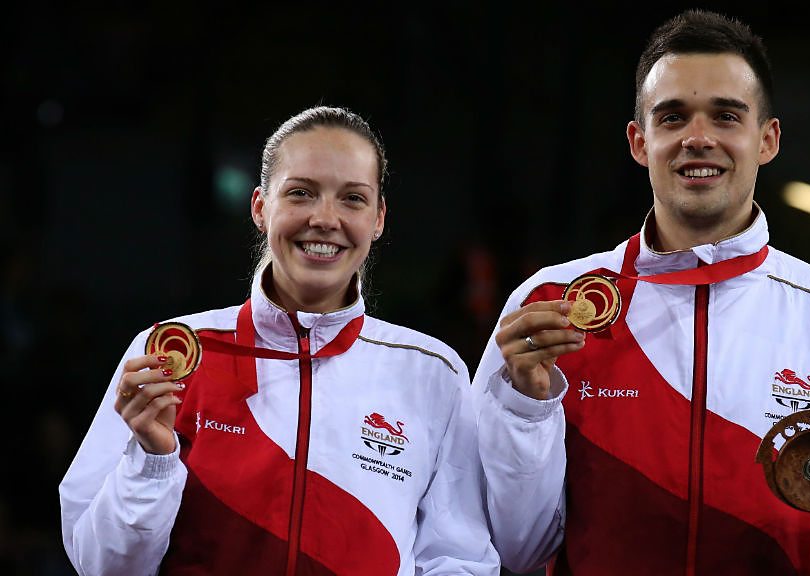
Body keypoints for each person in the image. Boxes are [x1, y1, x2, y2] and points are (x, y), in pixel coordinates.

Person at [472, 10, 810, 576]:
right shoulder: (549, 307)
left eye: (726, 116)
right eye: (673, 117)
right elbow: (517, 548)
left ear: (767, 140)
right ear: (639, 142)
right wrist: (525, 409)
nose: (698, 138)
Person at [60, 106, 500, 575]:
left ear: (378, 219)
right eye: (300, 193)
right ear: (260, 207)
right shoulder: (170, 356)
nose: (325, 218)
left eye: (353, 198)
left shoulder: (432, 373)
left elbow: (459, 560)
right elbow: (101, 566)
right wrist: (152, 461)